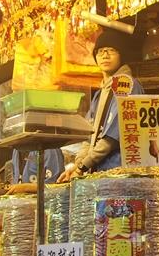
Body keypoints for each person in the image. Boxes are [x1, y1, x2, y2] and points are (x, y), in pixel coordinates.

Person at [58, 29, 143, 182]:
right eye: (100, 51)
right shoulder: (100, 93)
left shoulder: (126, 85)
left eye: (111, 50)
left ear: (122, 55)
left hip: (120, 174)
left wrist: (82, 167)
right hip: (100, 173)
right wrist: (77, 165)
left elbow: (111, 138)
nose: (105, 55)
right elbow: (88, 136)